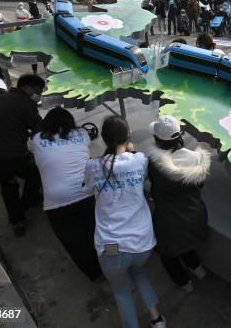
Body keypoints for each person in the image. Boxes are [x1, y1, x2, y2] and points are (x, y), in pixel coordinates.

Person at [83, 116, 166, 328]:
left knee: (121, 291)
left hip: (111, 249)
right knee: (139, 273)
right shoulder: (140, 159)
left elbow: (87, 189)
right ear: (128, 137)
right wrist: (130, 149)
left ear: (103, 138)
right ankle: (157, 320)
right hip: (142, 244)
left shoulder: (93, 166)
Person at [28, 107, 102, 281]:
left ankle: (94, 273)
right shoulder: (82, 133)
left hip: (56, 203)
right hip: (87, 194)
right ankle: (111, 264)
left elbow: (31, 149)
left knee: (74, 242)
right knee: (96, 230)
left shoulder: (35, 139)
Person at [146, 115, 210, 292]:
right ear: (180, 136)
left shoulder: (153, 162)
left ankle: (184, 284)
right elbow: (200, 185)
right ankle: (198, 268)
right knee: (183, 242)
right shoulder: (196, 158)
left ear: (157, 140)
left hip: (169, 222)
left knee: (166, 253)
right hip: (195, 217)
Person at [0, 74, 45, 236]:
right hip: (11, 156)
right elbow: (39, 129)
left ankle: (17, 222)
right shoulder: (26, 103)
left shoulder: (1, 99)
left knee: (9, 185)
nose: (39, 96)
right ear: (27, 87)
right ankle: (30, 201)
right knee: (36, 171)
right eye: (38, 91)